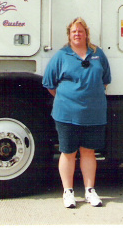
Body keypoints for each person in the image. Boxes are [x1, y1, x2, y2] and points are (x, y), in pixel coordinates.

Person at [42, 17, 111, 208]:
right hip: (66, 114)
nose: (77, 34)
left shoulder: (98, 54)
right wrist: (68, 99)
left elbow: (105, 80)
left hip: (93, 114)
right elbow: (49, 83)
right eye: (74, 31)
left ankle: (90, 191)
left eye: (80, 31)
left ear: (86, 34)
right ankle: (68, 192)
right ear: (69, 35)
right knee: (68, 152)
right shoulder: (61, 55)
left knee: (89, 152)